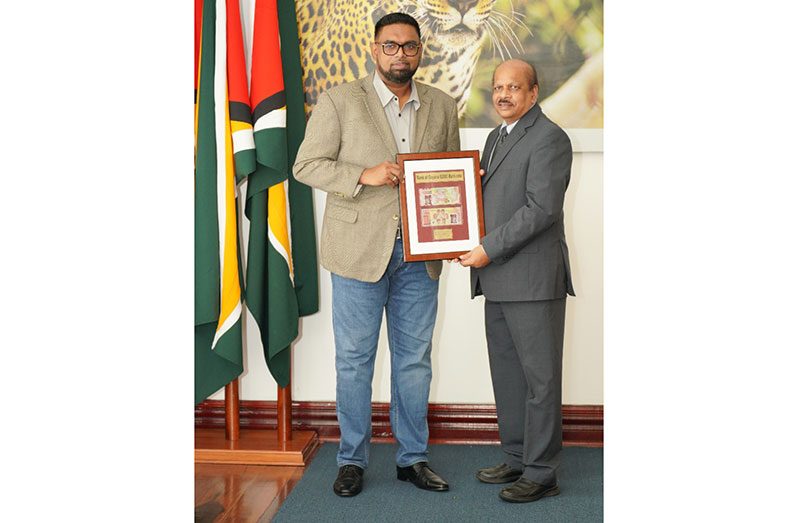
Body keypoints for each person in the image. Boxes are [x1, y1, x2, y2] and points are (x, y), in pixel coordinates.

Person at [293, 12, 460, 498]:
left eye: (409, 47)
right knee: (354, 361)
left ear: (420, 51)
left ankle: (413, 458)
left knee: (414, 362)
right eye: (391, 46)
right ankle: (351, 459)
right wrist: (361, 174)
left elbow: (448, 177)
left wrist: (450, 234)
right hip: (357, 251)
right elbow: (306, 165)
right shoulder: (340, 100)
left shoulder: (443, 106)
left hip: (418, 254)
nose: (400, 55)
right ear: (374, 48)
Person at [455, 59, 575, 503]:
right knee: (507, 374)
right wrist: (458, 232)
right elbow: (488, 199)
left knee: (540, 380)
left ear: (533, 93)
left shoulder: (550, 138)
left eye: (514, 87)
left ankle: (542, 471)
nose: (503, 95)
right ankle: (517, 455)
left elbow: (541, 210)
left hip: (532, 279)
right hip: (498, 277)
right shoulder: (494, 137)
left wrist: (486, 246)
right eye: (497, 87)